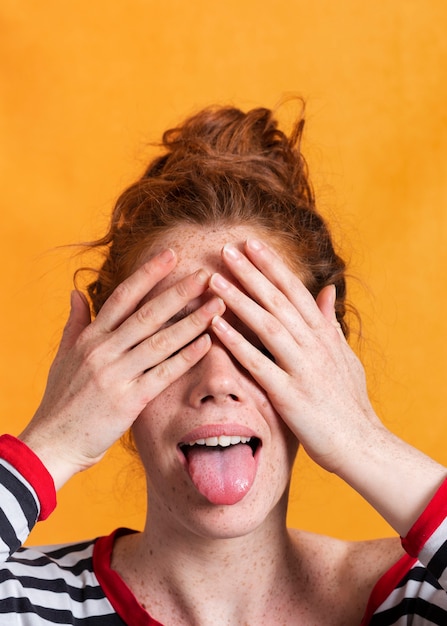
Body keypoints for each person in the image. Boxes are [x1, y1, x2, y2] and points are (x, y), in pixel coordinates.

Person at [1, 104, 446, 626]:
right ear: (100, 371)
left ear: (330, 368)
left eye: (258, 337)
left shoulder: (415, 601)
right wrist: (54, 444)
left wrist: (362, 441)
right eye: (169, 338)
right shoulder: (23, 605)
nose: (217, 382)